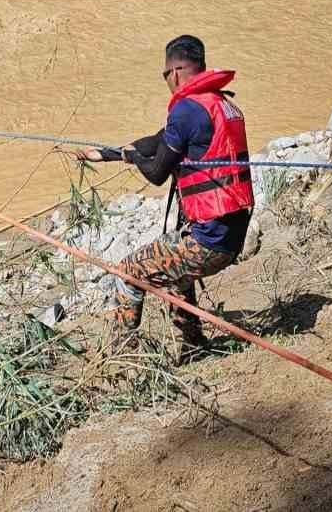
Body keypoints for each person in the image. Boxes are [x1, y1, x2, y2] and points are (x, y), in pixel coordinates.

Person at [76, 35, 254, 360]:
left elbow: (156, 172)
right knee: (176, 273)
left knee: (128, 272)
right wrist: (107, 154)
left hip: (209, 240)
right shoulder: (218, 104)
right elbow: (158, 141)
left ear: (174, 72)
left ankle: (124, 364)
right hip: (231, 234)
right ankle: (193, 345)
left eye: (164, 75)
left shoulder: (187, 109)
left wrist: (132, 160)